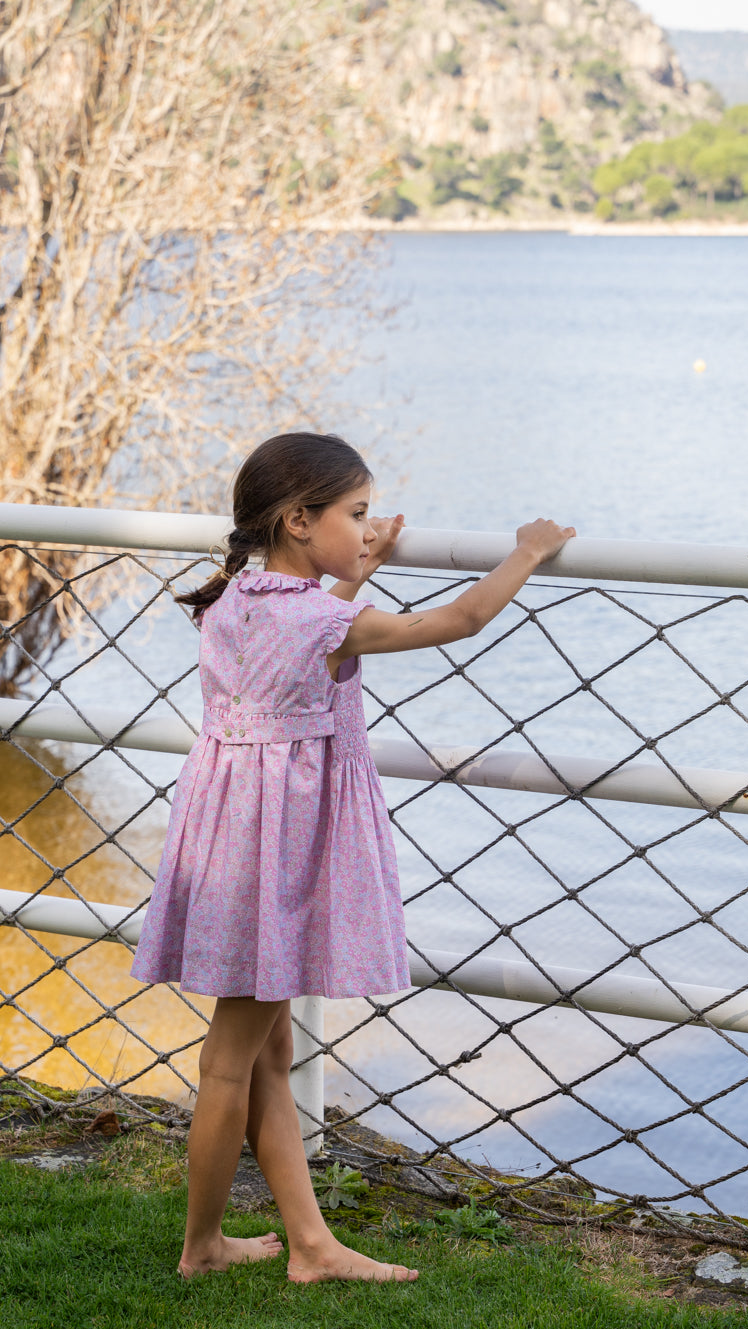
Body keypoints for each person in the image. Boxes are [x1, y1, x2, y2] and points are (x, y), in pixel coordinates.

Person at [130, 431, 575, 1284]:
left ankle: (309, 1242)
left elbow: (306, 634)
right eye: (356, 514)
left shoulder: (235, 596)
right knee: (230, 1060)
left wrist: (356, 566)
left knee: (266, 1052)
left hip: (230, 828)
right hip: (279, 845)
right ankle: (201, 1246)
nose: (368, 526)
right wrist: (528, 550)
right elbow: (459, 619)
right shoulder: (322, 620)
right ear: (300, 520)